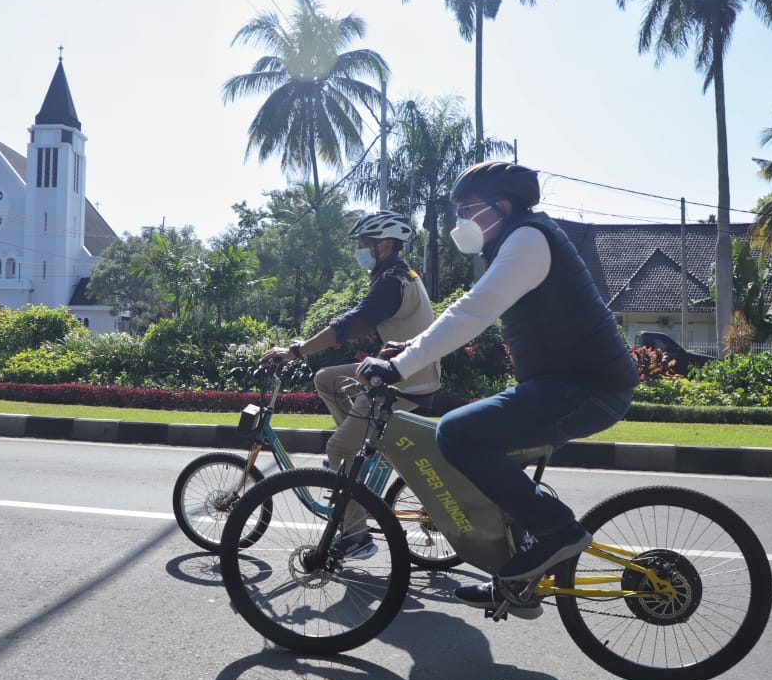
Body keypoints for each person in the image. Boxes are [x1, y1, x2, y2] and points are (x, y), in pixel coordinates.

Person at [358, 161, 640, 615]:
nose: (459, 221)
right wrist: (408, 348)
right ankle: (518, 583)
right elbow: (467, 312)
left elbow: (475, 310)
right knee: (487, 455)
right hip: (566, 386)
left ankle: (557, 530)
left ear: (501, 206)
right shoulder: (519, 239)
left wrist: (404, 365)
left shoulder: (529, 239)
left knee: (456, 432)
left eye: (467, 208)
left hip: (587, 389)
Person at [261, 210, 441, 559]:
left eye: (364, 244)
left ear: (385, 244)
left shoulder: (392, 281)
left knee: (338, 450)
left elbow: (353, 324)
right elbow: (355, 320)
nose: (360, 250)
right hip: (406, 373)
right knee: (326, 378)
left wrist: (295, 351)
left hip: (405, 385)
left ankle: (358, 537)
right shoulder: (395, 274)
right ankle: (359, 451)